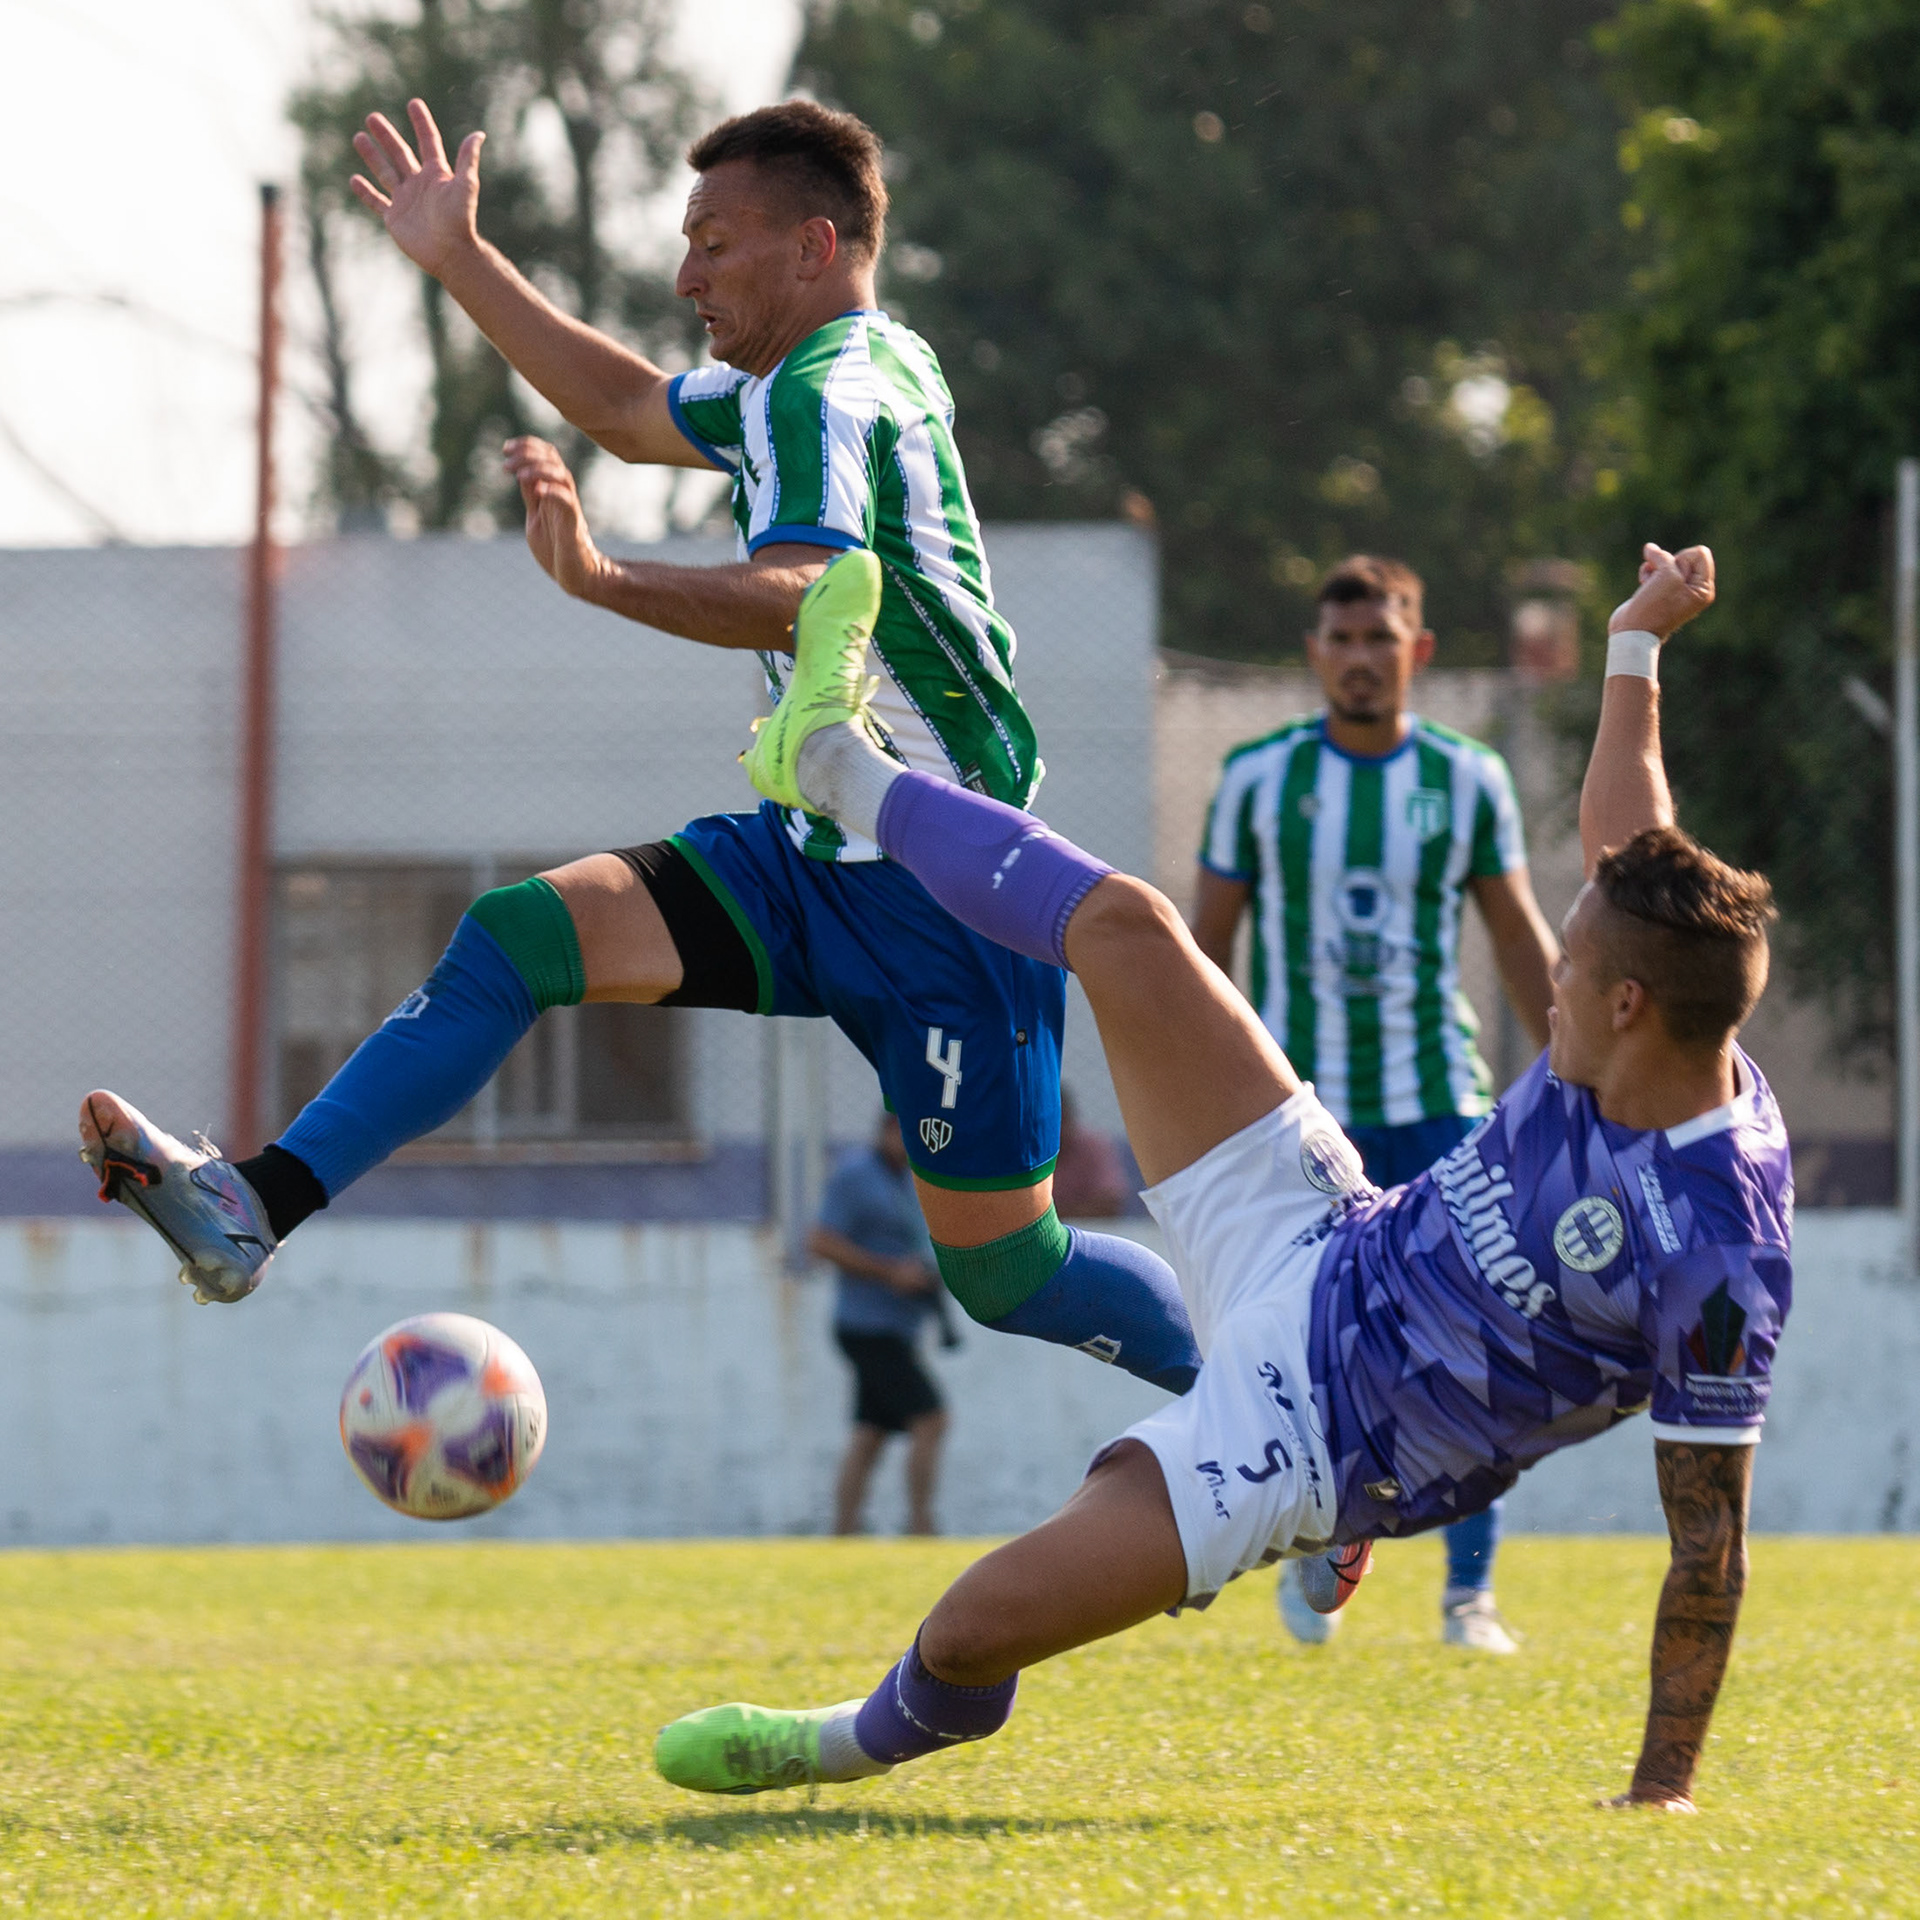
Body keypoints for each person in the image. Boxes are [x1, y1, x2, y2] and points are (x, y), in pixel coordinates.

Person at [76, 100, 1200, 1401]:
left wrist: (604, 580)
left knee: (1015, 1276)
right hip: (813, 855)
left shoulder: (824, 396)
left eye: (716, 242)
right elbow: (621, 404)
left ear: (813, 246)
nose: (686, 275)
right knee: (517, 937)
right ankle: (251, 1208)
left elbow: (799, 586)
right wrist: (457, 257)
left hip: (947, 890)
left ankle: (1291, 1388)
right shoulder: (827, 367)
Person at [652, 539, 1789, 1816]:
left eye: (1570, 971)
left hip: (1312, 1441)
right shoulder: (1659, 997)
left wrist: (1661, 1793)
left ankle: (847, 1740)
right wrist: (1636, 638)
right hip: (1322, 1227)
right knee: (1132, 929)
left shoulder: (1717, 1251)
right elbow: (1623, 821)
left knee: (971, 1634)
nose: (1548, 980)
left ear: (1629, 1008)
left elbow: (1710, 1544)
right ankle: (831, 764)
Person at [1191, 555, 1560, 1654]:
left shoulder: (1467, 778)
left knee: (1478, 1336)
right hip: (1299, 1119)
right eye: (1340, 640)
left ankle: (1470, 1595)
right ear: (1314, 653)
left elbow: (1518, 945)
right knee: (1307, 1345)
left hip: (1439, 1100)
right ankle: (1320, 1533)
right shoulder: (1256, 779)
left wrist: (1590, 1087)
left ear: (1419, 651)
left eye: (1380, 639)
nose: (1359, 659)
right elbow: (1200, 956)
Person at [811, 1113, 951, 1537]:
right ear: (888, 1131)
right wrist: (889, 1272)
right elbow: (821, 1242)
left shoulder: (910, 1180)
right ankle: (920, 1525)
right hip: (867, 1326)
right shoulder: (855, 1176)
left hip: (897, 1326)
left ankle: (844, 1530)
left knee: (870, 1432)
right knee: (931, 1419)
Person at [1049, 1089, 1130, 1220]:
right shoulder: (1023, 1150)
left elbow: (1110, 1203)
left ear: (1069, 1117)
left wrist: (1051, 1217)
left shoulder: (1092, 1146)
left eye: (1061, 1121)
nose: (1057, 1130)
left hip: (1087, 1231)